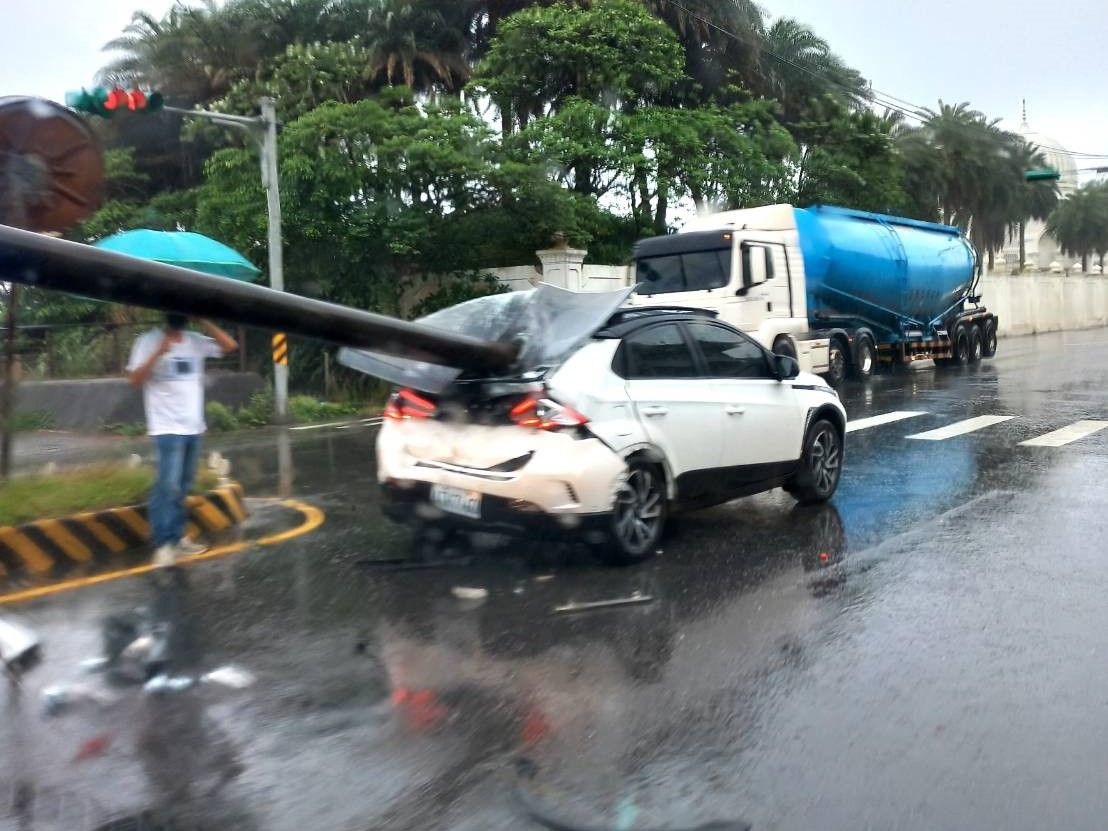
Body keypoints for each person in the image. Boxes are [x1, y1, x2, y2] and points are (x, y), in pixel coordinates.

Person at [127, 313, 238, 567]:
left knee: (183, 486)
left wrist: (203, 320)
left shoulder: (194, 340)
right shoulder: (147, 341)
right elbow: (133, 380)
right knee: (167, 486)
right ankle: (163, 544)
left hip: (193, 427)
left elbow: (230, 346)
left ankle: (177, 539)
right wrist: (157, 352)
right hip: (166, 427)